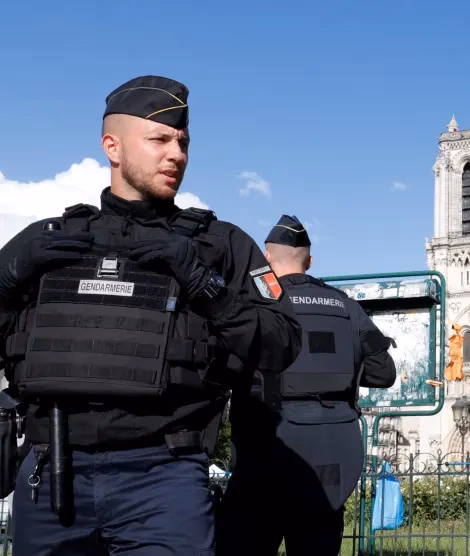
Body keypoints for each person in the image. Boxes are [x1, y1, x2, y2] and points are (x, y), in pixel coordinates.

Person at [0, 75, 303, 555]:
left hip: (164, 479)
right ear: (112, 147)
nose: (177, 154)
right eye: (160, 139)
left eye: (182, 142)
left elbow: (283, 342)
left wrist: (204, 283)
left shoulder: (219, 246)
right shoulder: (48, 240)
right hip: (53, 472)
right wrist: (5, 279)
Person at [217, 215, 397, 556]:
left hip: (262, 460)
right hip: (329, 468)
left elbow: (222, 369)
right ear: (310, 261)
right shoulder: (346, 307)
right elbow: (383, 373)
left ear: (267, 260)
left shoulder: (251, 306)